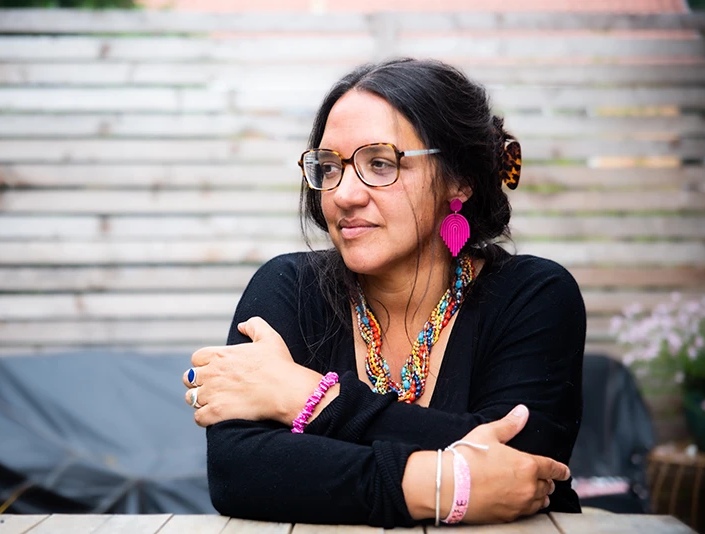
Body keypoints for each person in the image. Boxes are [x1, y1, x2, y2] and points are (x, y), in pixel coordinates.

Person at [182, 58, 585, 528]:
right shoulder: (289, 289)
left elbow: (521, 466)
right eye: (329, 167)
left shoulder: (533, 296)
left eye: (380, 163)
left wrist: (306, 396)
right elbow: (241, 472)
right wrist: (433, 486)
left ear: (459, 179)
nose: (344, 194)